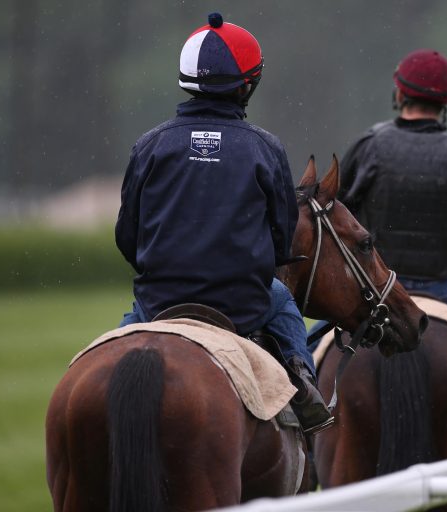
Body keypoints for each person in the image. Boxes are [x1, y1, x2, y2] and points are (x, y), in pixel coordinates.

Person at [114, 12, 333, 434]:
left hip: (159, 300)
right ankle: (306, 392)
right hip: (243, 301)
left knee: (115, 346)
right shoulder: (264, 147)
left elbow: (127, 236)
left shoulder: (150, 145)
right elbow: (282, 239)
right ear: (247, 84)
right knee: (285, 306)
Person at [336, 49, 447, 441]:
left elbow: (338, 219)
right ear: (445, 102)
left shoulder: (369, 145)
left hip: (373, 292)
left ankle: (309, 458)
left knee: (305, 349)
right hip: (446, 288)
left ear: (399, 94)